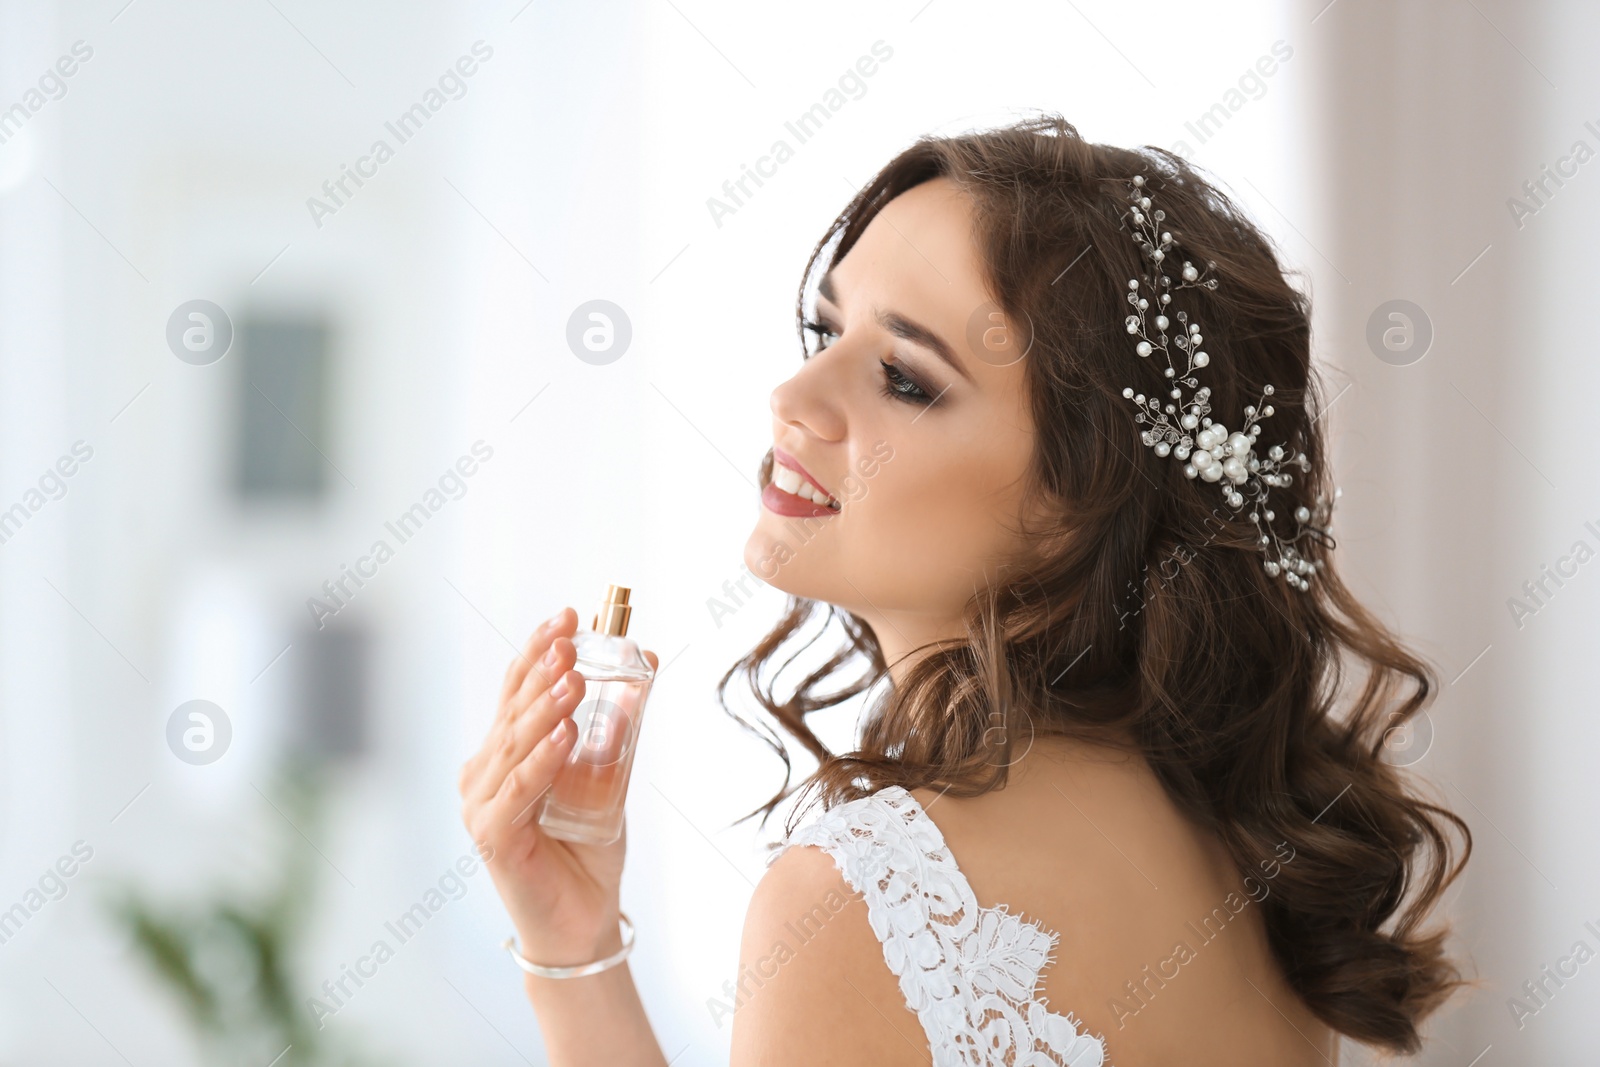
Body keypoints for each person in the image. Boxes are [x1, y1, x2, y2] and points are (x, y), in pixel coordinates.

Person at [457, 114, 1470, 1066]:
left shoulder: (867, 898)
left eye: (904, 377)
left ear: (1082, 496)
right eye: (826, 334)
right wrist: (574, 943)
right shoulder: (1249, 869)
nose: (792, 399)